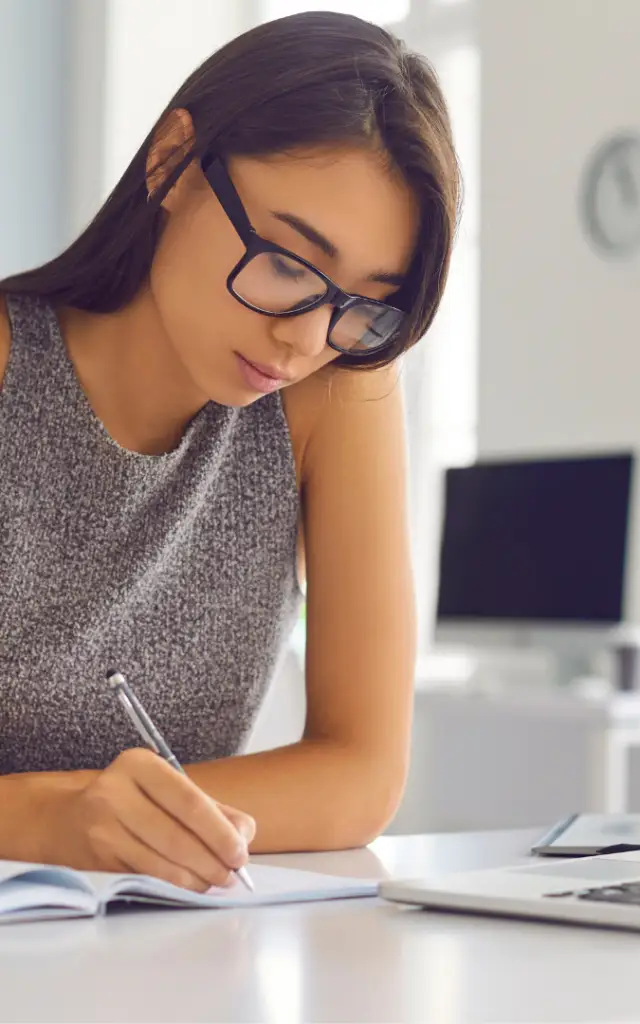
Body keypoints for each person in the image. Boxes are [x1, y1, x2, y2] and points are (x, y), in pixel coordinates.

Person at [0, 11, 459, 892]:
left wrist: (117, 825)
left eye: (363, 305)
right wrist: (54, 821)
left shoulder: (335, 389)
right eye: (288, 262)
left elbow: (362, 774)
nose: (303, 339)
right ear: (174, 160)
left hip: (168, 957)